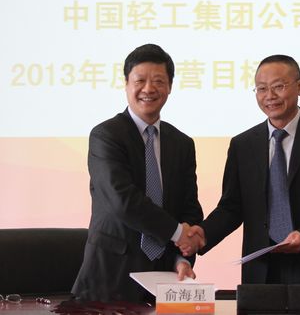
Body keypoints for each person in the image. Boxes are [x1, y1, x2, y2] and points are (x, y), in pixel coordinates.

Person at [181, 54, 300, 299]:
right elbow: (232, 207)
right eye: (262, 89)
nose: (270, 96)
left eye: (278, 86)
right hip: (262, 269)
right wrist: (204, 233)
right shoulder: (243, 145)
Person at [72, 44, 203, 302]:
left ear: (170, 86)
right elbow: (123, 201)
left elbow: (189, 207)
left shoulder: (182, 143)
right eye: (140, 80)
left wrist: (182, 257)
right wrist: (179, 234)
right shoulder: (106, 135)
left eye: (158, 81)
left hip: (165, 279)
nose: (148, 89)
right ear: (126, 84)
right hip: (109, 278)